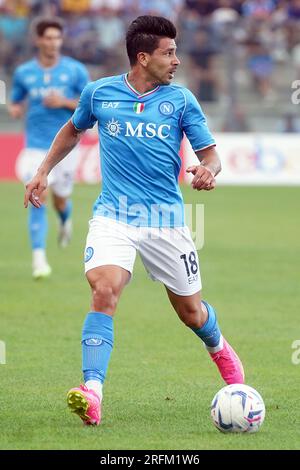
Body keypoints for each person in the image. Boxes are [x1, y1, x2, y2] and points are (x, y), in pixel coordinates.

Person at [24, 15, 244, 426]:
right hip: (114, 216)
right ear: (143, 57)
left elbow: (209, 153)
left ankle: (225, 356)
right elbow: (72, 130)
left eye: (175, 52)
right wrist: (43, 170)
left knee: (191, 313)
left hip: (167, 221)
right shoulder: (100, 93)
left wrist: (209, 169)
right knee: (104, 290)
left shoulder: (181, 101)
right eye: (169, 53)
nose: (176, 60)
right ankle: (92, 391)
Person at [9, 17, 89, 279]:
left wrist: (63, 102)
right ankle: (39, 260)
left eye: (57, 38)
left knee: (60, 198)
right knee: (38, 197)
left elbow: (88, 105)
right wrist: (15, 108)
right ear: (38, 40)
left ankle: (65, 219)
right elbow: (16, 99)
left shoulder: (75, 71)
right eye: (49, 38)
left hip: (66, 148)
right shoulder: (24, 73)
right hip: (35, 148)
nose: (53, 42)